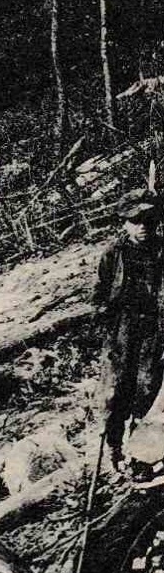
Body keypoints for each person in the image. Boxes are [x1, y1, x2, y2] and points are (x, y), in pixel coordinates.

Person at [95, 201, 163, 471]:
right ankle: (114, 449)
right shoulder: (114, 253)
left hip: (155, 330)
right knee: (115, 392)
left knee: (147, 388)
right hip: (123, 331)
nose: (143, 227)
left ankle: (141, 453)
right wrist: (105, 322)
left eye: (148, 221)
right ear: (125, 224)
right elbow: (99, 294)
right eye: (136, 222)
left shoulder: (161, 250)